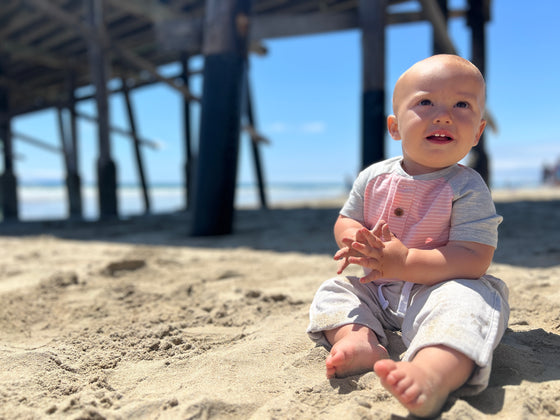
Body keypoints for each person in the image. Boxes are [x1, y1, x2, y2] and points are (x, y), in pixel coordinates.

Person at [307, 54, 510, 418]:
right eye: (425, 102)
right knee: (333, 291)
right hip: (378, 288)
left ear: (478, 131)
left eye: (462, 104)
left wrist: (405, 262)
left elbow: (474, 257)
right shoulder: (373, 177)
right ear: (395, 126)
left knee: (467, 305)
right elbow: (346, 219)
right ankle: (359, 339)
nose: (444, 115)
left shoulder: (466, 187)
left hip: (438, 288)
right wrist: (355, 239)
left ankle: (433, 373)